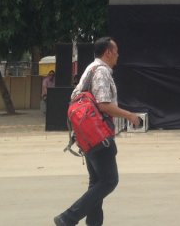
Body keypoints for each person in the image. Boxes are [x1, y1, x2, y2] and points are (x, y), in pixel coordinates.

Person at [54, 37, 141, 226]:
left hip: (86, 136)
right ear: (108, 52)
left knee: (97, 183)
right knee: (109, 181)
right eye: (116, 51)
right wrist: (130, 116)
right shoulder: (101, 72)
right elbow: (104, 105)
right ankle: (67, 218)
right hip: (99, 137)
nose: (118, 55)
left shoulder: (90, 69)